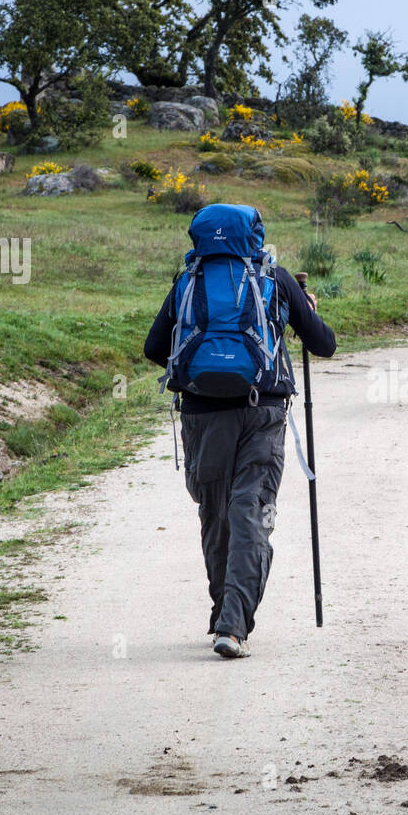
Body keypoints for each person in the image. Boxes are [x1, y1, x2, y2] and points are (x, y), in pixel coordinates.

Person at [144, 205, 336, 659]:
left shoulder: (189, 280)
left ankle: (221, 615)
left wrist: (204, 368)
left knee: (215, 514)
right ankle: (233, 625)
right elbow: (324, 345)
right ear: (254, 236)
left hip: (201, 413)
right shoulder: (274, 277)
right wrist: (302, 308)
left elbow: (155, 349)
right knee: (250, 510)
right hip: (261, 411)